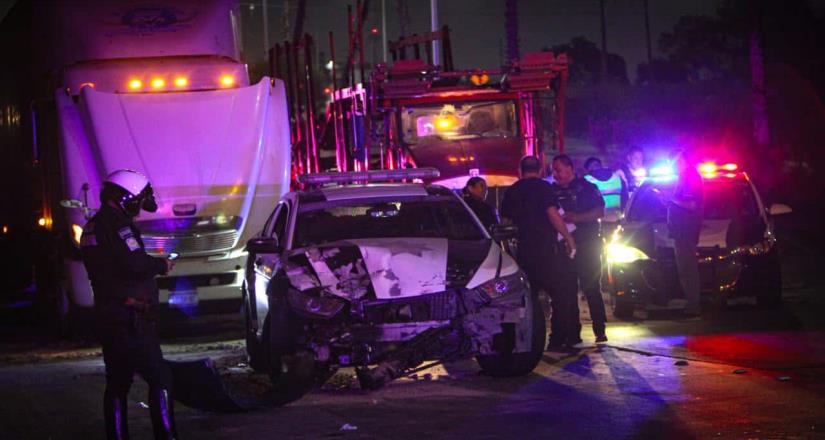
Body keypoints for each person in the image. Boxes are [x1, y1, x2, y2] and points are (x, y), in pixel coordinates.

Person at [80, 169, 178, 440]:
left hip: (108, 314)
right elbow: (133, 263)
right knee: (160, 377)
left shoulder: (92, 226)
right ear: (126, 198)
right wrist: (161, 264)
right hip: (131, 317)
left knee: (117, 383)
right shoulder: (118, 226)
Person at [501, 156, 577, 351]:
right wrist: (568, 238)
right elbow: (553, 215)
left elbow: (505, 223)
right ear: (541, 169)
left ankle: (529, 341)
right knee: (560, 295)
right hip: (546, 252)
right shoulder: (545, 188)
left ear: (520, 170)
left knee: (528, 299)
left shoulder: (513, 191)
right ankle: (557, 339)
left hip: (523, 252)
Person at [551, 155, 608, 344]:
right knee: (567, 290)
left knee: (591, 287)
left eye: (558, 170)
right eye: (554, 170)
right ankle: (572, 333)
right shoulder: (551, 192)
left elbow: (600, 211)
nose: (555, 174)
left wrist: (577, 217)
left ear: (569, 169)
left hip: (588, 244)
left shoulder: (587, 188)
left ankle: (599, 330)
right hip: (564, 247)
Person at [667, 151, 704, 318]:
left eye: (675, 161)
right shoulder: (684, 177)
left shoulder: (690, 177)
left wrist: (670, 198)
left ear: (683, 161)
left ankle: (693, 305)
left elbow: (691, 205)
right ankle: (692, 303)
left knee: (688, 269)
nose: (674, 164)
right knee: (685, 269)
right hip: (680, 231)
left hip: (685, 231)